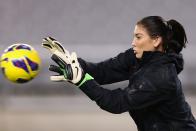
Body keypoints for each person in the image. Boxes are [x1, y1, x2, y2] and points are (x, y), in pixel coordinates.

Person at [42, 16, 196, 131]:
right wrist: (71, 61)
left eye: (138, 37)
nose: (133, 42)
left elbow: (116, 103)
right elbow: (101, 72)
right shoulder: (137, 57)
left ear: (156, 41)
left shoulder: (161, 77)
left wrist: (82, 80)